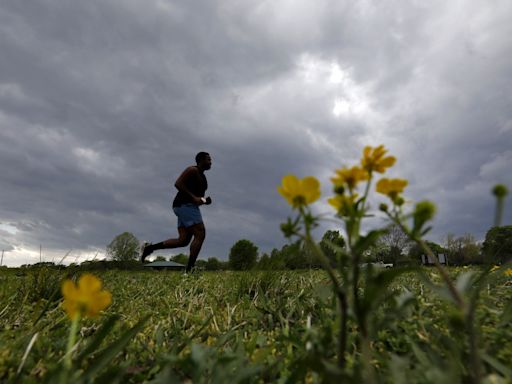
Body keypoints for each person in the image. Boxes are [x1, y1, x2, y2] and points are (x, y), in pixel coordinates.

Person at [140, 152, 212, 273]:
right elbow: (178, 183)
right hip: (184, 205)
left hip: (185, 207)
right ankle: (189, 271)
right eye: (208, 159)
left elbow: (198, 198)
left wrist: (205, 201)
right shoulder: (192, 170)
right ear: (200, 160)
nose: (211, 162)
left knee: (183, 240)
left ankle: (150, 248)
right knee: (200, 233)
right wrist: (194, 198)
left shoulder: (204, 179)